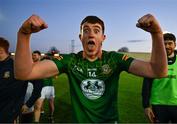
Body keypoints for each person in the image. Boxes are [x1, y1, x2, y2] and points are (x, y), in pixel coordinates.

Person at [14, 14, 168, 123]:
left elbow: (157, 71)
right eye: (86, 30)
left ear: (103, 37)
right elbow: (24, 73)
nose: (91, 35)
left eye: (96, 30)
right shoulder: (70, 61)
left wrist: (156, 34)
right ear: (81, 37)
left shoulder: (114, 59)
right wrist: (24, 34)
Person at [142, 32, 177, 123]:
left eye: (170, 43)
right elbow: (146, 86)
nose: (167, 46)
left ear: (175, 44)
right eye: (164, 44)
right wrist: (146, 106)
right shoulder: (154, 62)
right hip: (158, 104)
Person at [0, 37, 28, 123]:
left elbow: (22, 89)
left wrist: (15, 111)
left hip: (8, 112)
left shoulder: (15, 67)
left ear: (0, 50)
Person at [32, 51, 55, 123]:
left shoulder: (50, 67)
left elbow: (55, 76)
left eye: (35, 55)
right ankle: (36, 121)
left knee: (51, 105)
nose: (33, 57)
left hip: (50, 87)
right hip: (41, 87)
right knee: (37, 105)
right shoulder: (36, 65)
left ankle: (51, 116)